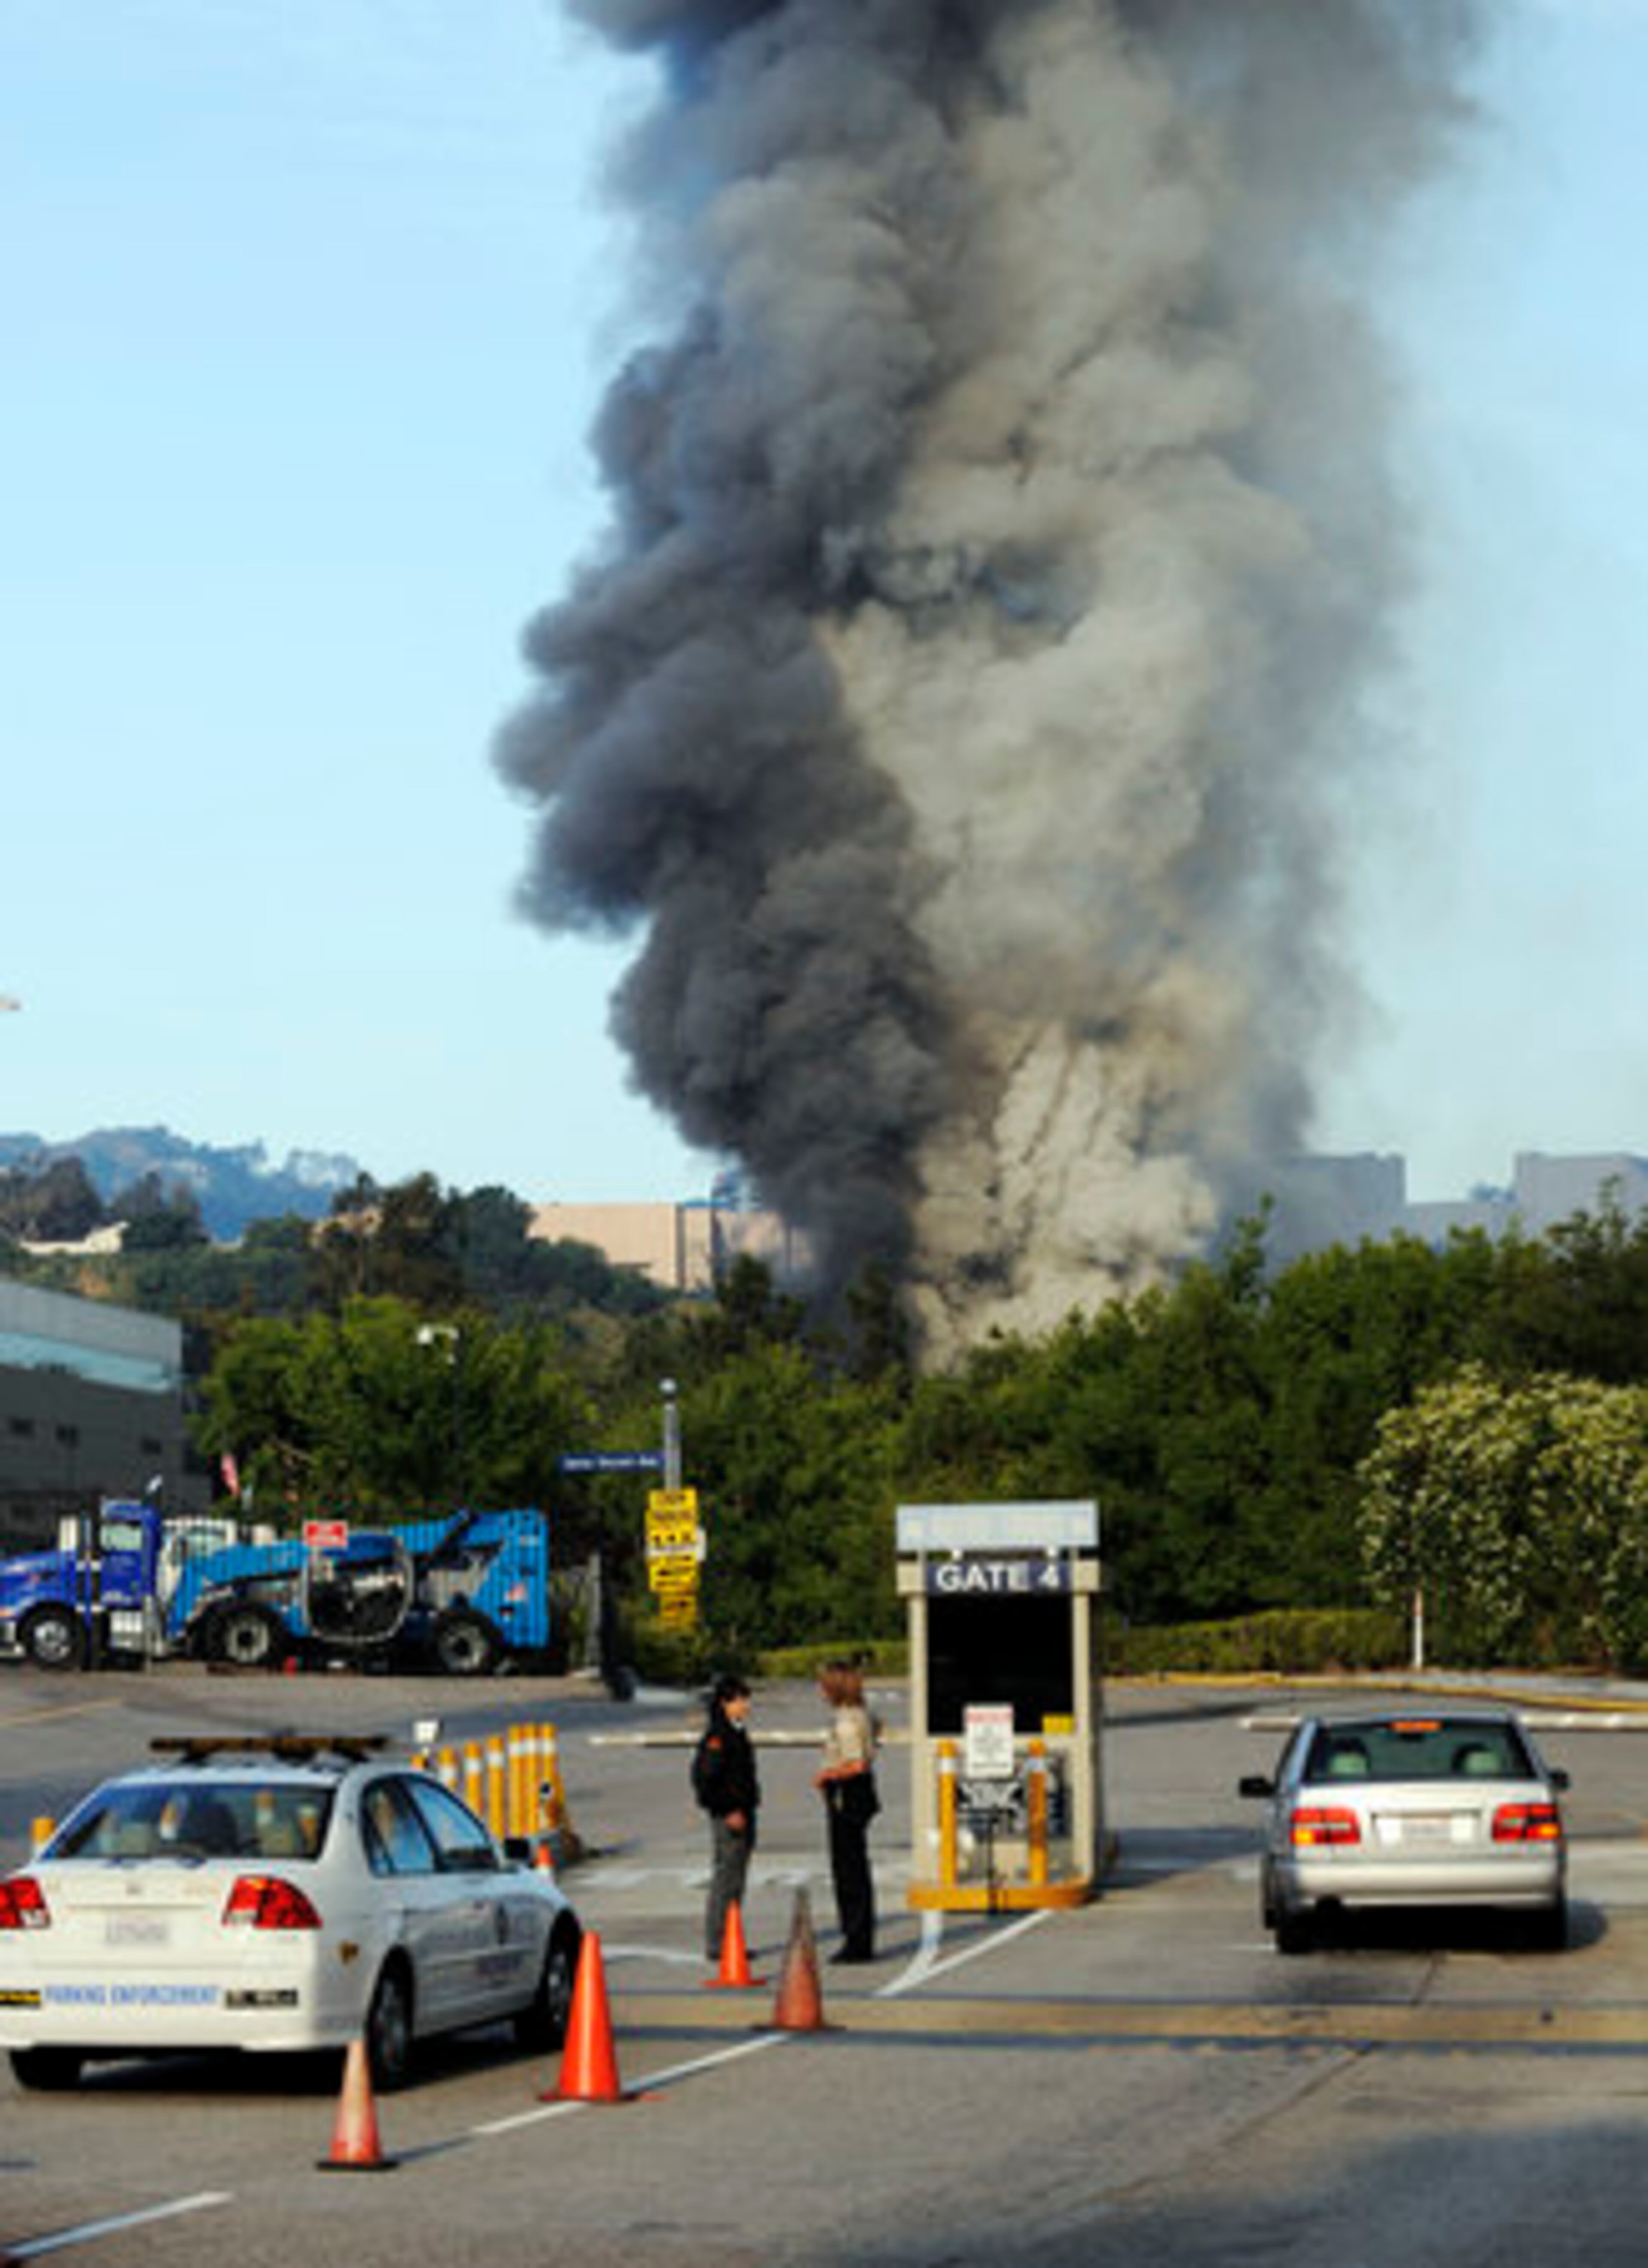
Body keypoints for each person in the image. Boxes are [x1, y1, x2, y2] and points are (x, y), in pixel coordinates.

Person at [692, 1671, 760, 1968]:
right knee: (726, 1879)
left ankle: (731, 1938)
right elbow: (706, 1780)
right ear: (724, 1703)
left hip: (744, 1812)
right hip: (730, 1815)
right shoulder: (719, 1737)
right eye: (740, 1700)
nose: (746, 1705)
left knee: (736, 1879)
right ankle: (718, 1942)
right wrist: (729, 1809)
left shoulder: (737, 1731)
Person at [815, 1659, 880, 1963]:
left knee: (849, 1870)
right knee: (853, 1866)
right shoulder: (861, 1714)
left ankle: (857, 1939)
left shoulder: (846, 1721)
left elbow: (857, 1764)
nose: (820, 1689)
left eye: (824, 1683)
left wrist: (826, 1775)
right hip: (858, 1794)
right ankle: (858, 1935)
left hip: (847, 1795)